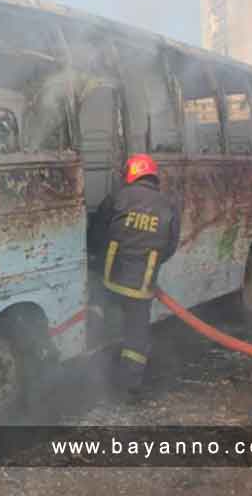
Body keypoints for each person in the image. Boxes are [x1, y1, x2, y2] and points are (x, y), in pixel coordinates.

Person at [87, 153, 181, 399]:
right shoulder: (168, 205)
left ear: (131, 173)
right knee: (136, 334)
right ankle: (130, 385)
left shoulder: (118, 198)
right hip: (142, 286)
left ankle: (96, 367)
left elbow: (97, 231)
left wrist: (97, 258)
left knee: (100, 308)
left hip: (111, 278)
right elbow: (170, 246)